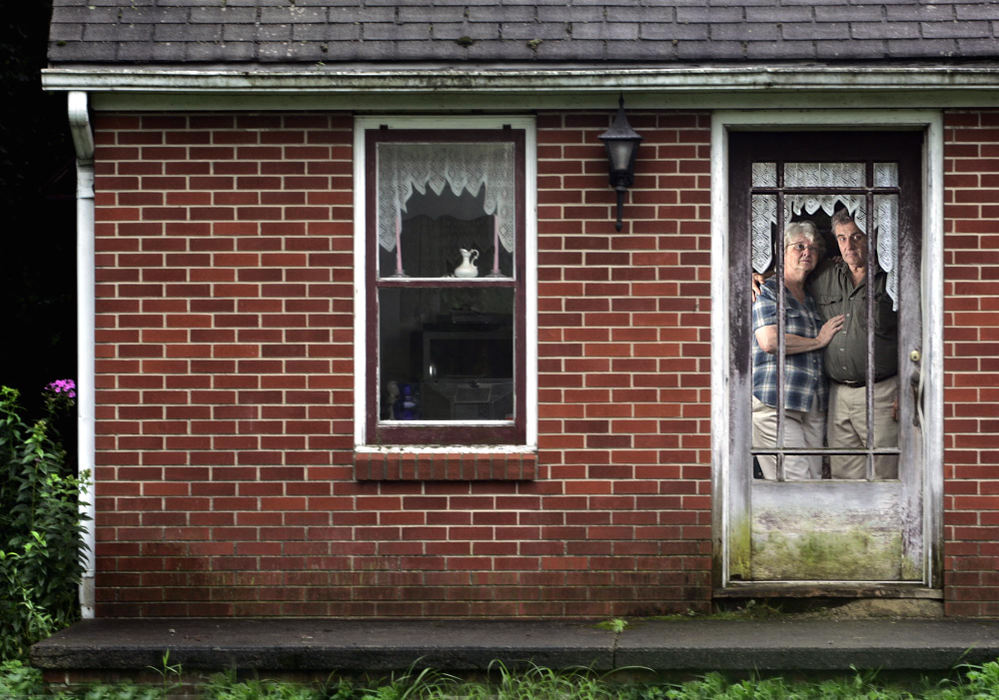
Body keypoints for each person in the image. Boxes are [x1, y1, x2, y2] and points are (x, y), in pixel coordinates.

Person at [810, 209, 899, 479]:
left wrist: (906, 389)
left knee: (887, 477)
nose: (849, 246)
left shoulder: (891, 279)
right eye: (842, 238)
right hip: (838, 396)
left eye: (856, 236)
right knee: (843, 481)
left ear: (872, 238)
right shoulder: (825, 274)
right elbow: (792, 275)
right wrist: (761, 277)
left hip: (882, 392)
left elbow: (917, 331)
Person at [752, 222, 844, 480]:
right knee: (795, 486)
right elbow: (769, 341)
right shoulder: (766, 290)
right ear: (782, 251)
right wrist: (818, 340)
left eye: (813, 248)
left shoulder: (812, 295)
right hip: (776, 403)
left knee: (813, 486)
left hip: (812, 404)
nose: (807, 252)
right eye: (799, 246)